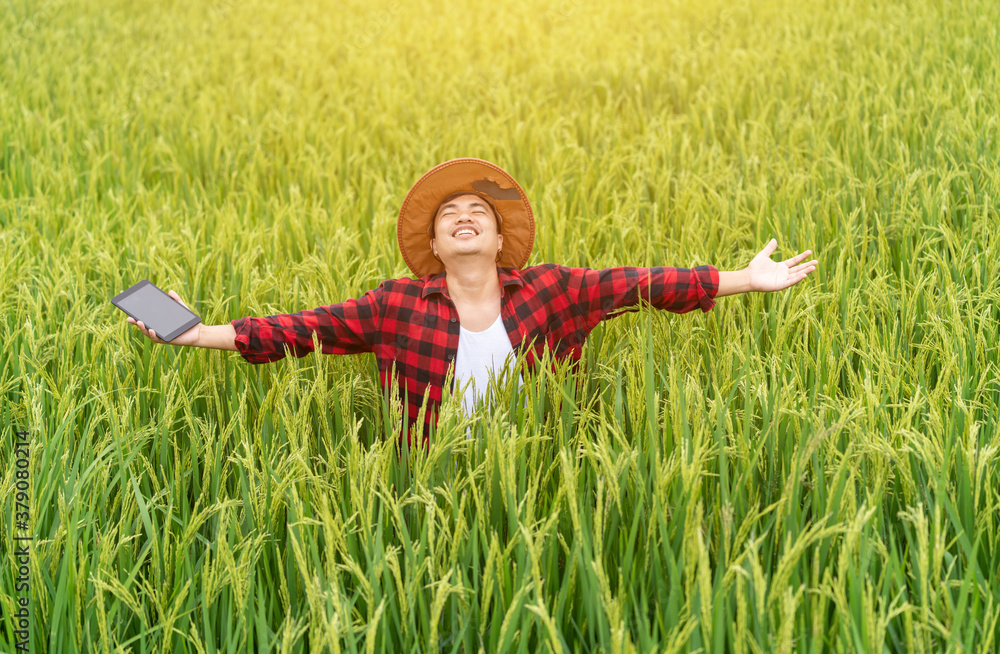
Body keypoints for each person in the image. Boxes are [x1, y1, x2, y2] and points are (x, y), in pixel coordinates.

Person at [126, 158, 818, 446]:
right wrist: (188, 330)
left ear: (496, 237)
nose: (464, 215)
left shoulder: (550, 289)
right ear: (433, 241)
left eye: (477, 211)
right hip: (435, 477)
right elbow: (298, 331)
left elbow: (643, 285)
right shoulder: (395, 306)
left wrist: (742, 278)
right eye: (449, 212)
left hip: (543, 467)